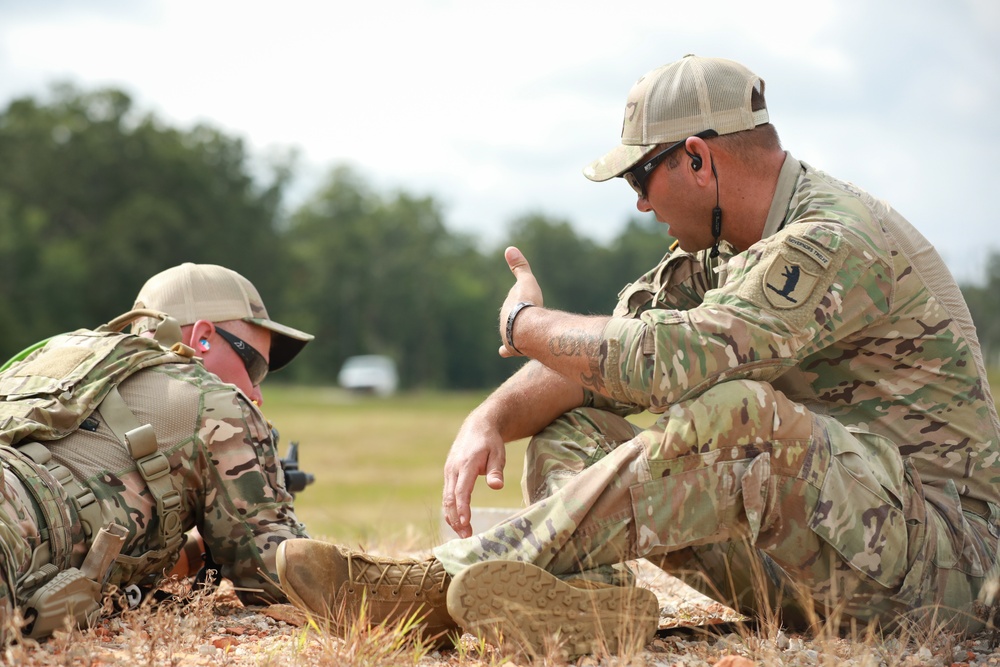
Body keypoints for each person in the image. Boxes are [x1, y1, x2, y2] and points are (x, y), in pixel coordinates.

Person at [277, 55, 1000, 657]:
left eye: (638, 178)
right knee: (571, 428)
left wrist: (524, 321)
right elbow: (602, 363)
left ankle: (433, 585)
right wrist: (490, 417)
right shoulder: (726, 248)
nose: (641, 206)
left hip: (944, 571)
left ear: (696, 157)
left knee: (738, 419)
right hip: (827, 561)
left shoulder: (828, 240)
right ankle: (591, 601)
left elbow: (668, 361)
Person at [0, 262, 313, 640]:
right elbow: (273, 576)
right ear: (203, 338)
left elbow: (102, 548)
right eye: (256, 368)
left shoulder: (60, 361)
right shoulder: (214, 400)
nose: (257, 393)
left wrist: (200, 549)